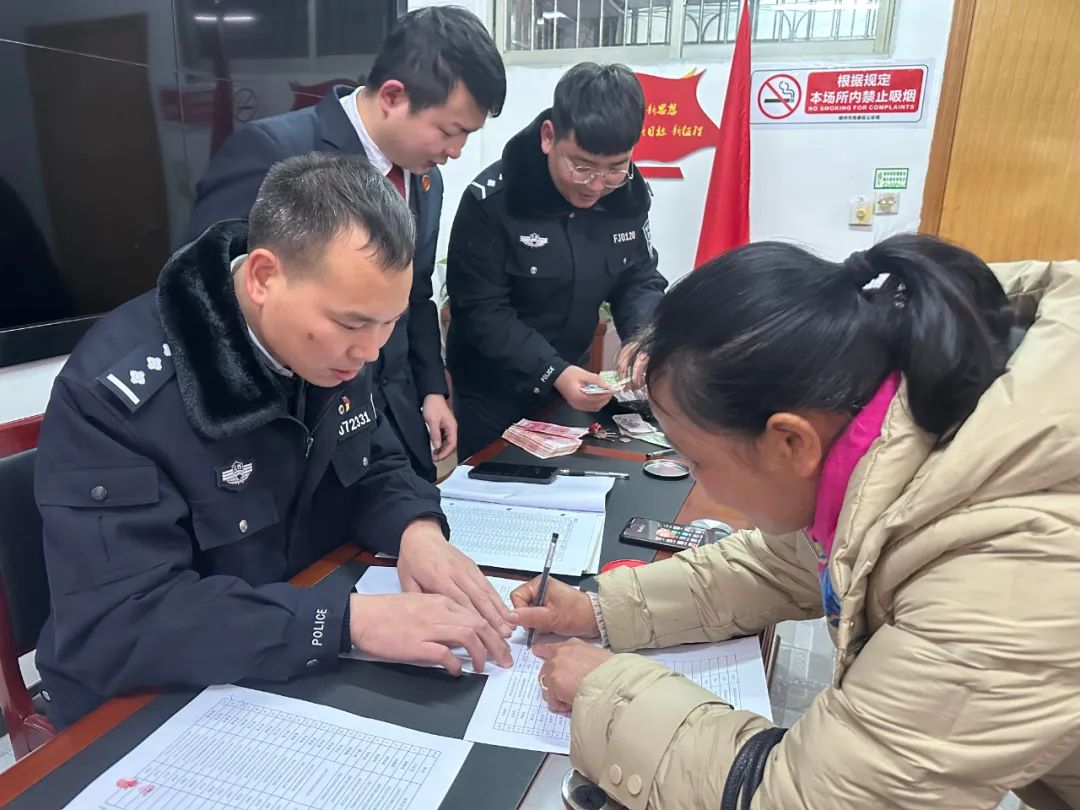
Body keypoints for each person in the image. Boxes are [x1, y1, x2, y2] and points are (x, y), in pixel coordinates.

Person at [509, 235, 1080, 809]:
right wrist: (598, 609)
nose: (697, 482)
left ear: (789, 442)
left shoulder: (1009, 565)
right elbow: (782, 563)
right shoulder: (908, 389)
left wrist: (606, 692)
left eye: (696, 461)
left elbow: (813, 801)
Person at [35, 155, 514, 730]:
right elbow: (118, 623)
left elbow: (373, 461)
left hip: (285, 642)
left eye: (388, 323)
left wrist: (417, 530)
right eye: (353, 324)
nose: (370, 352)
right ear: (264, 278)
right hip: (150, 701)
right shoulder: (116, 396)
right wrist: (345, 622)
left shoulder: (329, 347)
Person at [187, 7, 506, 481]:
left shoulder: (425, 182)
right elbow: (205, 294)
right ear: (393, 96)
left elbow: (416, 293)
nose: (455, 151)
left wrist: (431, 391)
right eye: (448, 131)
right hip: (298, 430)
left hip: (394, 423)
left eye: (466, 136)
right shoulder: (274, 152)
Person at [446, 63, 667, 459]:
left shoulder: (628, 197)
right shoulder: (492, 202)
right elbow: (480, 310)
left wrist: (641, 338)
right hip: (493, 389)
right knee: (495, 483)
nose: (596, 185)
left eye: (616, 168)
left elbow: (638, 278)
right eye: (581, 166)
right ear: (549, 137)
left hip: (572, 380)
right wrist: (553, 371)